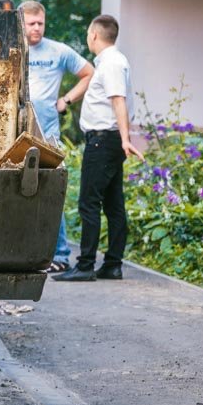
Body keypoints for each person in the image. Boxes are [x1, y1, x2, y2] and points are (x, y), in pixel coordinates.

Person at [54, 14, 144, 282]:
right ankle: (112, 265)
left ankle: (85, 265)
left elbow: (118, 101)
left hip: (103, 141)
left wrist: (125, 139)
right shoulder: (111, 61)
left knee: (89, 203)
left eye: (87, 34)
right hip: (107, 140)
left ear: (93, 35)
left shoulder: (112, 63)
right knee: (113, 204)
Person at [19, 0, 94, 273]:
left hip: (47, 135)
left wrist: (66, 100)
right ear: (21, 23)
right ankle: (21, 252)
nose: (37, 28)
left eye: (40, 23)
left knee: (52, 193)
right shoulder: (13, 47)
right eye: (31, 23)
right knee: (18, 191)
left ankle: (60, 254)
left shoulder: (58, 51)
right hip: (17, 133)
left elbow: (89, 73)